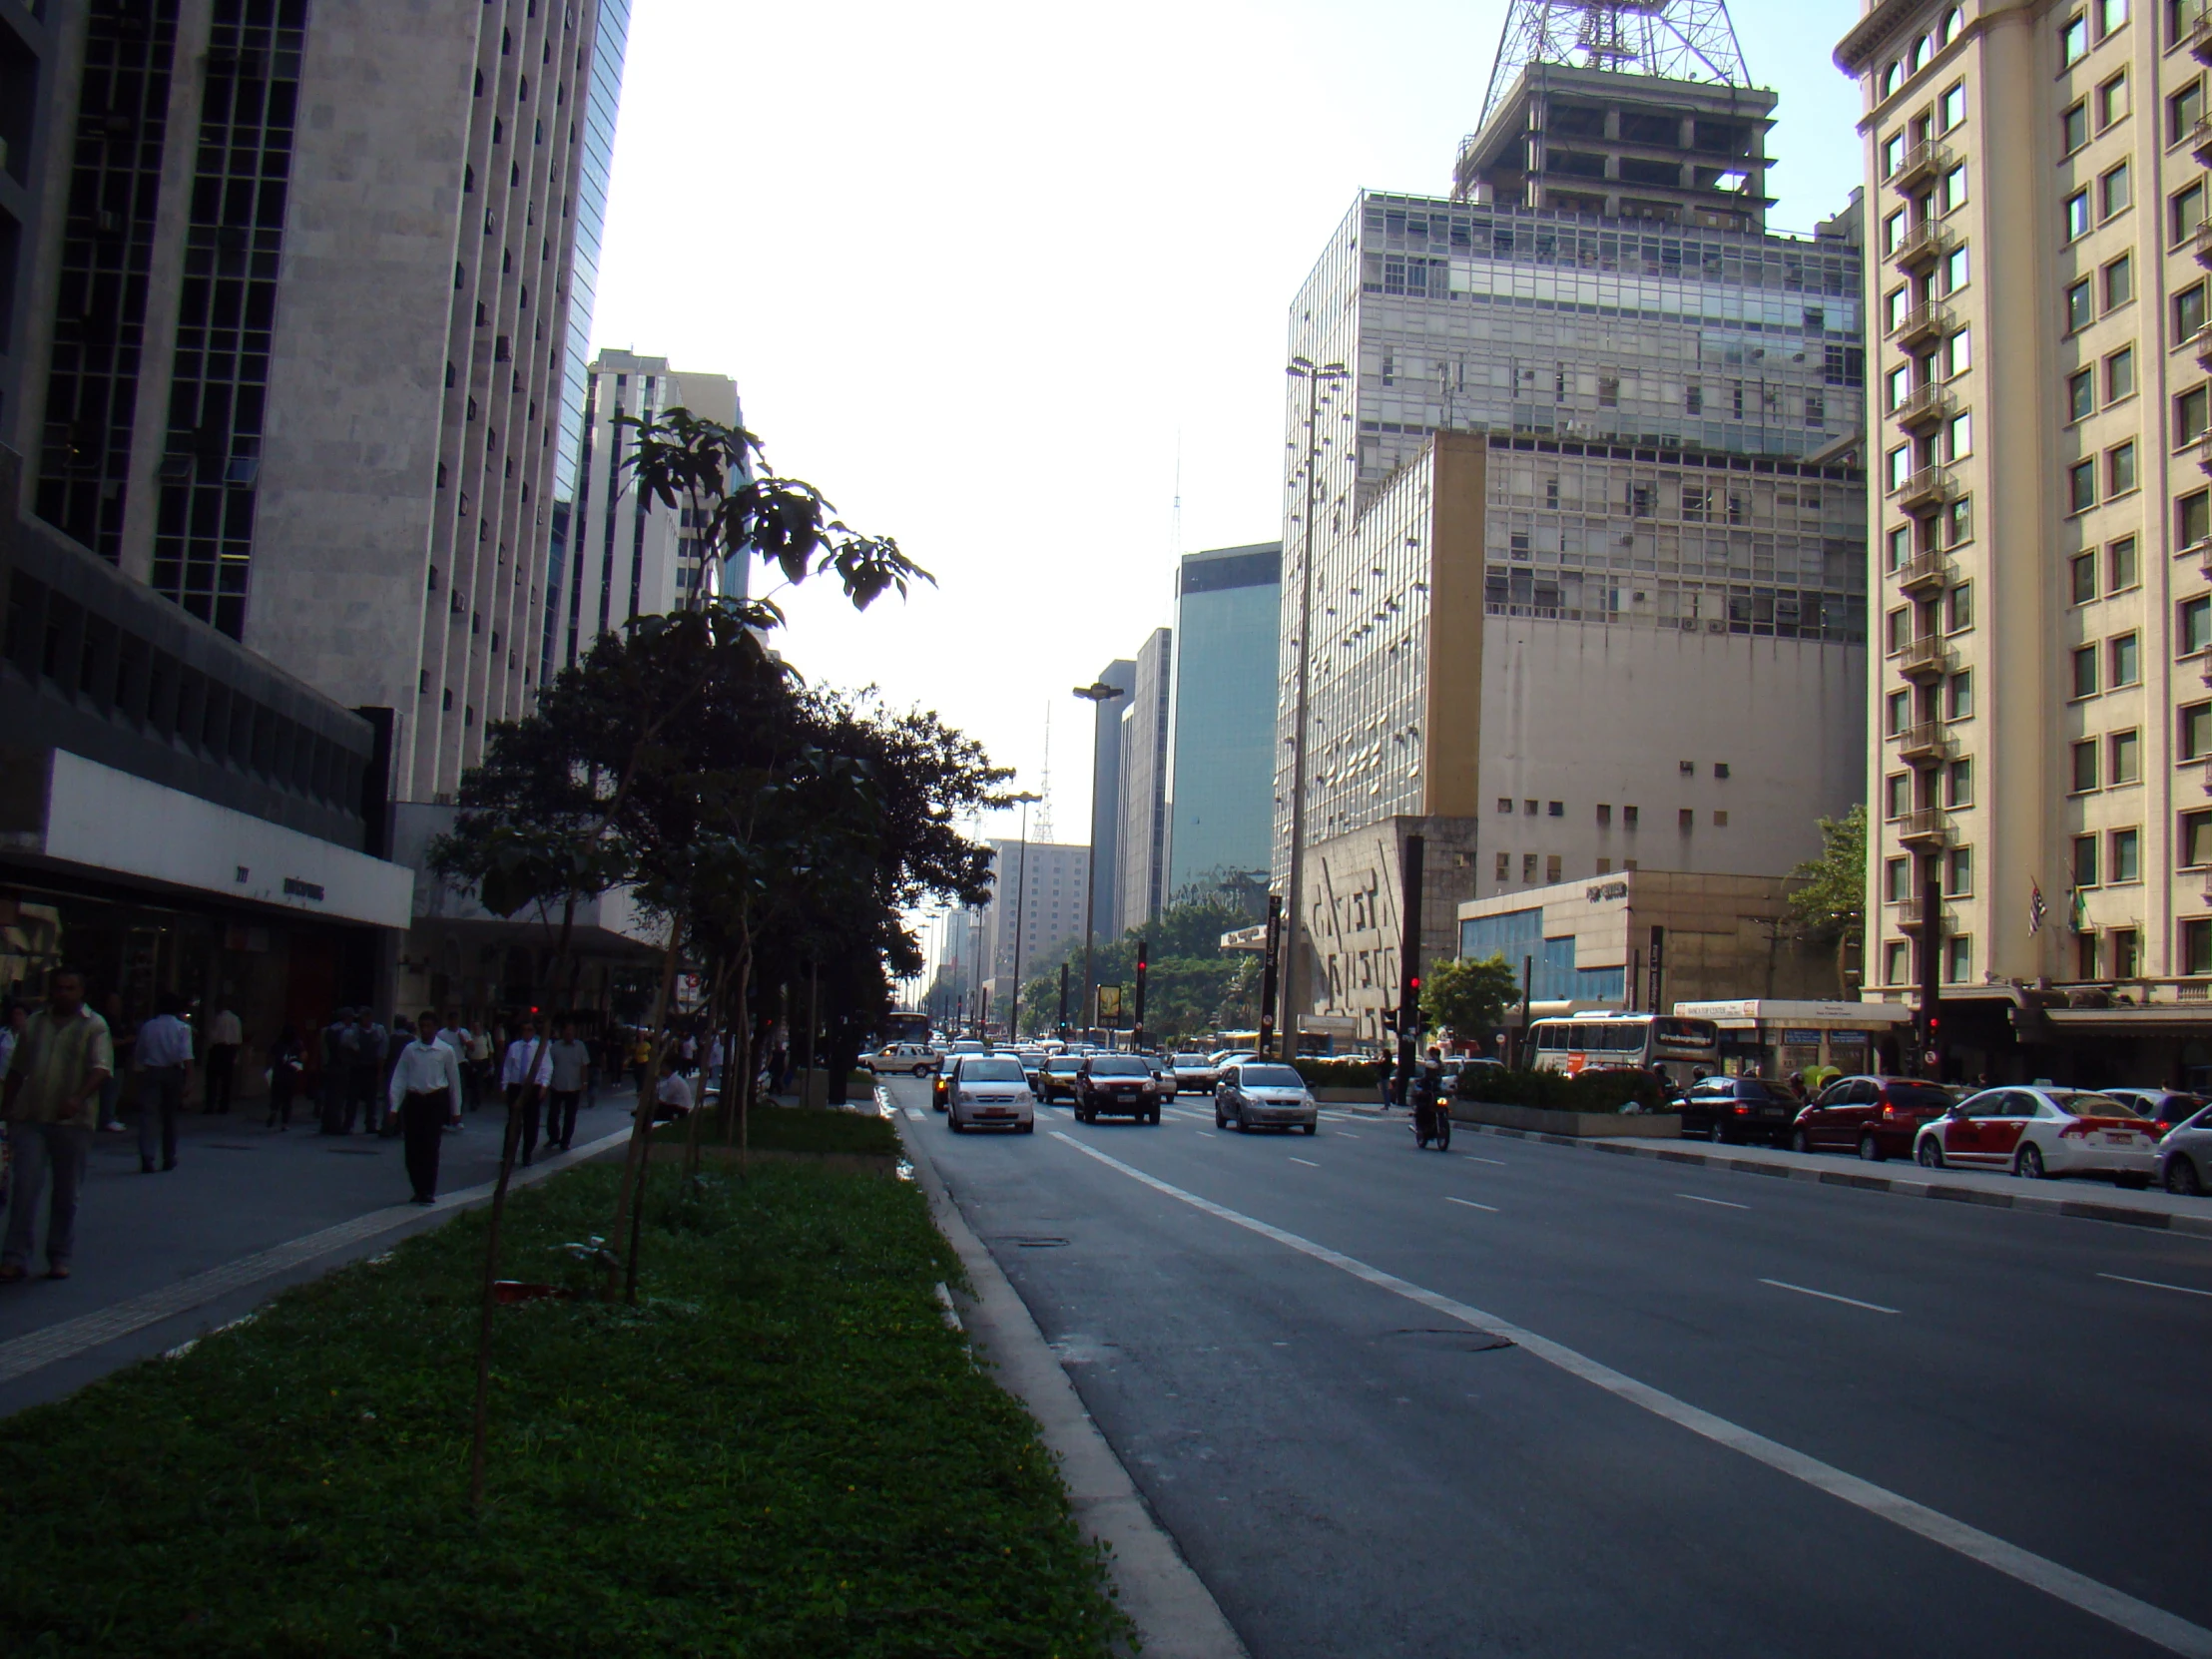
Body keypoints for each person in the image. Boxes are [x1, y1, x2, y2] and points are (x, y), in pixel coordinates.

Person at [0, 969, 114, 1282]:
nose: (63, 993)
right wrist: (6, 1106)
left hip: (72, 1122)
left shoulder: (94, 1025)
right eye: (58, 988)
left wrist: (78, 1098)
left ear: (81, 992)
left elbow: (101, 1068)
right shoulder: (35, 1024)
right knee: (24, 1188)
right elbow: (17, 1069)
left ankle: (59, 1255)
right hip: (31, 1117)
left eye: (70, 988)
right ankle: (14, 1256)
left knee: (66, 1192)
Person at [388, 1011, 464, 1204]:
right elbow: (400, 1077)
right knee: (412, 1148)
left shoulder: (445, 1051)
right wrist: (394, 1106)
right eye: (422, 1026)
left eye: (429, 1026)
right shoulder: (410, 1050)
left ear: (436, 1028)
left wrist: (456, 1110)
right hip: (415, 1100)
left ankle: (428, 1190)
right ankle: (418, 1188)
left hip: (435, 1100)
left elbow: (454, 1082)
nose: (425, 1030)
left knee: (430, 1147)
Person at [134, 992, 195, 1173]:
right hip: (173, 1072)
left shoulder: (148, 1027)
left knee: (148, 1115)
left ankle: (147, 1155)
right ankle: (169, 1156)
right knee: (170, 1117)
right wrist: (190, 1080)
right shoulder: (182, 1028)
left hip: (152, 1070)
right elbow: (187, 1055)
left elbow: (140, 1053)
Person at [500, 1018, 553, 1165]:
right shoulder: (514, 1047)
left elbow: (546, 1067)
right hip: (515, 1086)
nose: (527, 1032)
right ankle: (507, 1154)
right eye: (524, 1029)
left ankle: (527, 1153)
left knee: (531, 1122)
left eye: (530, 1030)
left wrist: (544, 1085)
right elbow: (507, 1067)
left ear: (534, 1032)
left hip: (532, 1087)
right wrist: (504, 1086)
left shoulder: (540, 1047)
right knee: (513, 1121)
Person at [546, 1020, 593, 1153]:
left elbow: (584, 1065)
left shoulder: (580, 1047)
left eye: (571, 1031)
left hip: (574, 1086)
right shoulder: (555, 1047)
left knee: (570, 1116)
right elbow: (549, 1064)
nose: (569, 1033)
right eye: (567, 1031)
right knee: (553, 1114)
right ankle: (553, 1136)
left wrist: (584, 1083)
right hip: (557, 1085)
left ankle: (565, 1141)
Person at [346, 1007, 389, 1135]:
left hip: (371, 1067)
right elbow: (347, 1045)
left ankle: (370, 1123)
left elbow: (382, 1052)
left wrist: (380, 1070)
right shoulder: (353, 1030)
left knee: (371, 1099)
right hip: (357, 1067)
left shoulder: (378, 1031)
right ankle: (348, 1123)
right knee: (352, 1098)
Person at [98, 990, 133, 1133]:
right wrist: (125, 1041)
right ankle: (107, 1118)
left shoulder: (118, 1019)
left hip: (118, 1061)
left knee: (114, 1090)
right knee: (109, 1091)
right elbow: (106, 1041)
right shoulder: (105, 1020)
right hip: (110, 1061)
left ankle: (109, 1116)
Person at [204, 1002, 243, 1114]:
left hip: (218, 1048)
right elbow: (238, 1037)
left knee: (212, 1079)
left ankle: (210, 1105)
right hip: (230, 1049)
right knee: (227, 1080)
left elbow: (213, 1035)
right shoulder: (236, 1019)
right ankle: (224, 1106)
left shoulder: (218, 1018)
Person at [267, 1024, 306, 1130]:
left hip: (278, 1073)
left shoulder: (279, 1043)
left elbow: (270, 1055)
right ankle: (284, 1123)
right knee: (287, 1100)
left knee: (275, 1096)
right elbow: (303, 1057)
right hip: (291, 1074)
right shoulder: (298, 1043)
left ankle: (273, 1111)